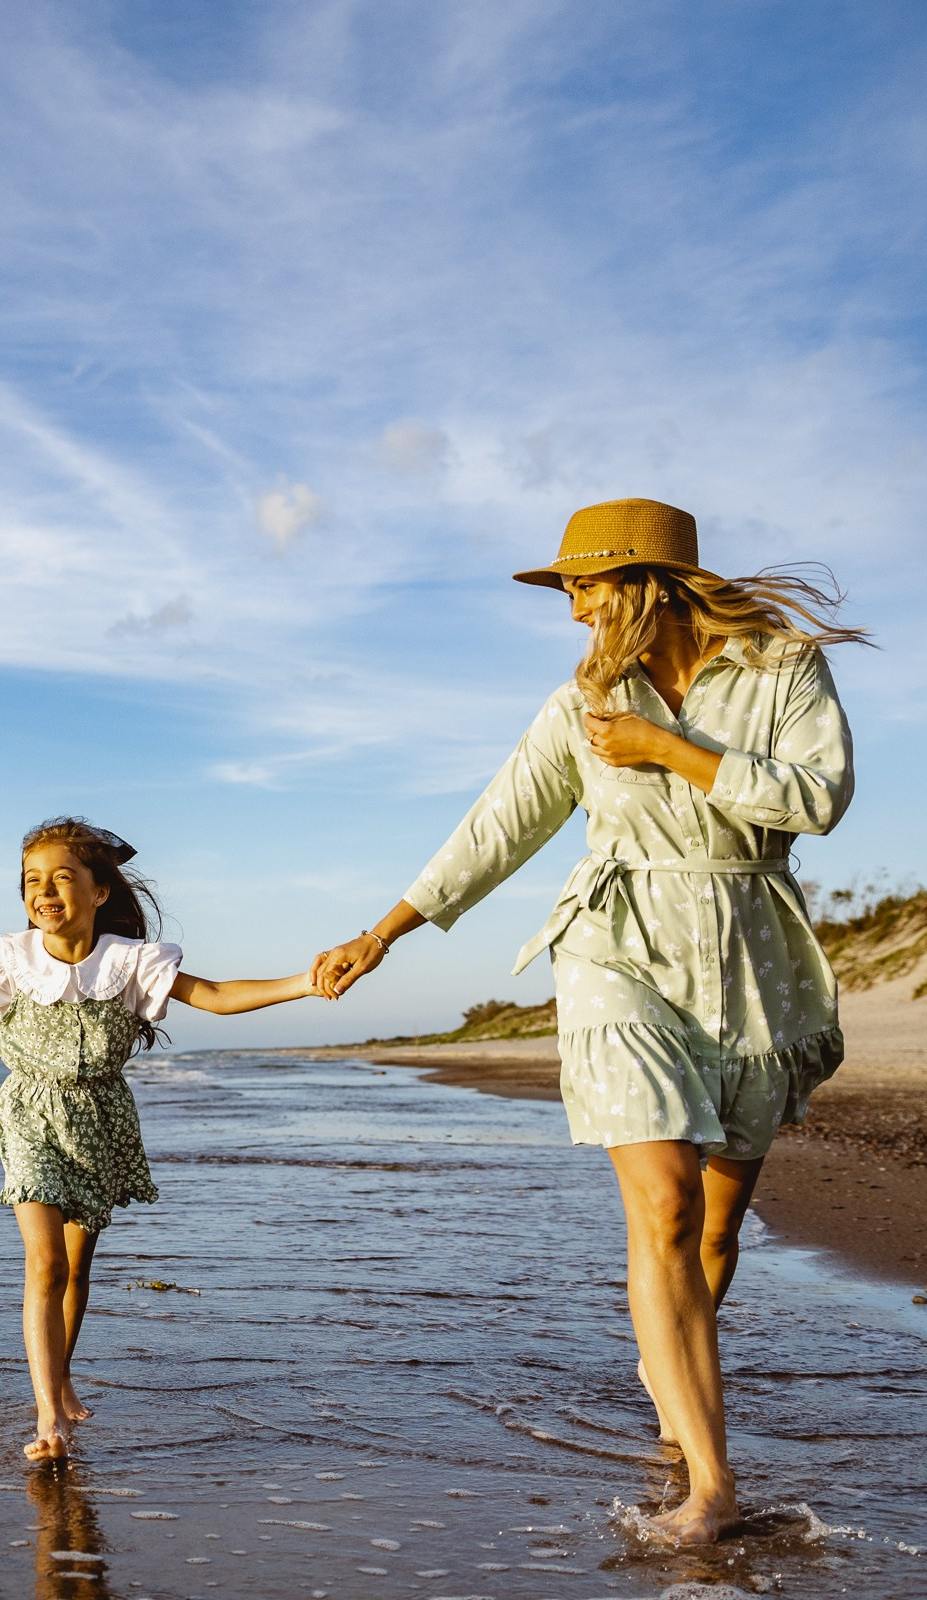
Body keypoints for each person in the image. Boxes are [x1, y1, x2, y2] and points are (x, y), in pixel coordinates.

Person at [310, 498, 867, 1545]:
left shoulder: (781, 668)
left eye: (582, 585)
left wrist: (668, 749)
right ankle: (712, 1486)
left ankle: (674, 1392)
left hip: (748, 949)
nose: (571, 612)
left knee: (713, 1223)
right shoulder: (580, 702)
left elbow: (820, 797)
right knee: (660, 1205)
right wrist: (384, 932)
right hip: (616, 942)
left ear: (645, 580)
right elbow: (500, 822)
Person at [0, 817, 320, 1461]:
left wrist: (306, 981)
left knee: (76, 1267)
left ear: (100, 892)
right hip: (28, 1115)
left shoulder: (129, 963)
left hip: (100, 1118)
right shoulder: (9, 958)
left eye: (62, 878)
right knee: (44, 1262)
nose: (43, 892)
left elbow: (214, 995)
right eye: (31, 881)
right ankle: (49, 1419)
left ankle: (62, 1377)